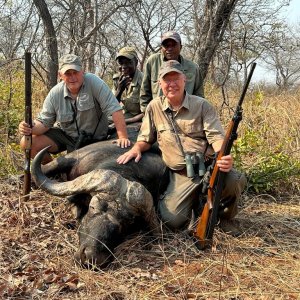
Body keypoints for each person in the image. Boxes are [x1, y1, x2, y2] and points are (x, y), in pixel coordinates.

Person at [117, 60, 246, 234]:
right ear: (160, 84)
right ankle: (198, 205)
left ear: (184, 79)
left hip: (207, 166)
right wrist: (136, 148)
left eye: (176, 78)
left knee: (234, 180)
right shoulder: (154, 107)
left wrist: (222, 157)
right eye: (166, 80)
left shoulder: (202, 105)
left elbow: (216, 137)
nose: (172, 84)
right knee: (171, 221)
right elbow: (146, 139)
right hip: (181, 174)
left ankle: (224, 217)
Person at [19, 54, 130, 164]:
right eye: (67, 73)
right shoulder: (55, 93)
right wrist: (29, 127)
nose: (72, 77)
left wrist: (123, 137)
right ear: (60, 75)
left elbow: (115, 109)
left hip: (95, 140)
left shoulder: (94, 82)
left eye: (75, 72)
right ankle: (52, 171)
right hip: (67, 137)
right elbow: (44, 123)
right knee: (27, 142)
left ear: (83, 71)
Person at [139, 30, 204, 114]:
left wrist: (194, 116)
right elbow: (144, 93)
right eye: (166, 45)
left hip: (185, 114)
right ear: (161, 47)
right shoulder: (153, 62)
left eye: (173, 45)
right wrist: (148, 114)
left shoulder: (193, 68)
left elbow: (199, 96)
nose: (169, 49)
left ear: (180, 47)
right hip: (158, 114)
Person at [112, 47, 143, 124]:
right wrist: (119, 90)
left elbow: (148, 111)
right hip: (121, 116)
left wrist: (124, 122)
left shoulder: (143, 81)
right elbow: (111, 107)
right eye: (121, 63)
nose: (124, 66)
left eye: (128, 62)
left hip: (136, 120)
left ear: (136, 62)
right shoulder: (117, 79)